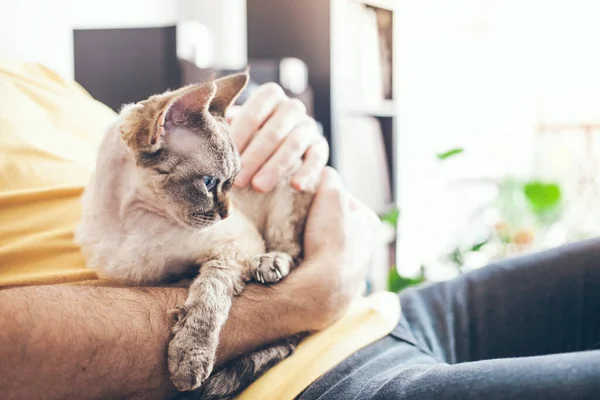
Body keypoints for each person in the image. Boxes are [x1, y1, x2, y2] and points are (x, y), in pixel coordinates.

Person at [1, 62, 599, 400]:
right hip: (307, 379)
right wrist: (309, 297)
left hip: (380, 318)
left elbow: (184, 159)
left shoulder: (35, 75)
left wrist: (283, 144)